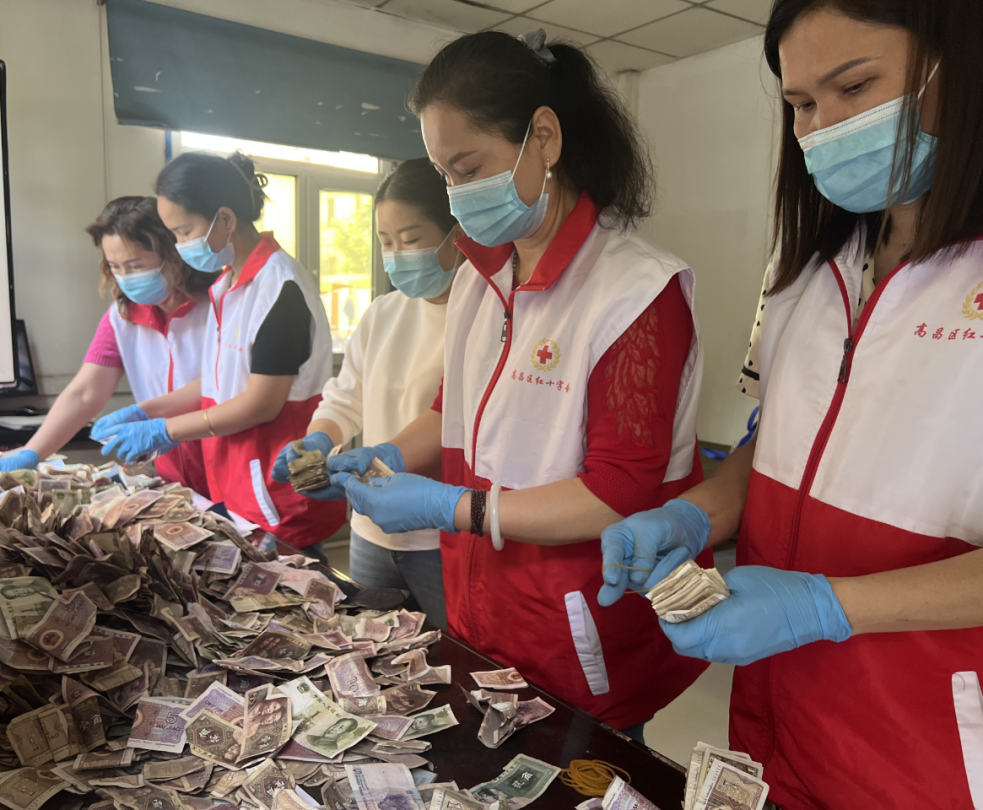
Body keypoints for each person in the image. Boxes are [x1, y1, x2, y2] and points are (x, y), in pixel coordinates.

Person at [597, 1, 983, 806]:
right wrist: (695, 515)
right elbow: (776, 444)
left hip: (927, 754)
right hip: (775, 721)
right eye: (801, 104)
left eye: (855, 87)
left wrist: (827, 606)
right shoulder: (809, 270)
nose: (824, 128)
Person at [329, 30, 710, 740]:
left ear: (544, 137)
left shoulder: (635, 290)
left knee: (579, 765)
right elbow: (450, 408)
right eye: (443, 174)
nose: (456, 193)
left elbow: (617, 489)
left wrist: (451, 506)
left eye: (468, 168)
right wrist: (386, 454)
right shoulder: (482, 277)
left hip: (578, 618)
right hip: (483, 604)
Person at [95, 152, 345, 560]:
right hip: (239, 489)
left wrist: (166, 431)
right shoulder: (227, 285)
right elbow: (218, 383)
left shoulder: (279, 287)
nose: (180, 246)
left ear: (225, 218)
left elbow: (261, 403)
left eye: (184, 231)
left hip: (280, 492)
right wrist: (146, 412)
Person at [273, 158, 458, 629]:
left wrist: (384, 456)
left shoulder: (483, 316)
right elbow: (346, 395)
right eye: (386, 242)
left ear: (456, 233)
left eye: (411, 240)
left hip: (442, 535)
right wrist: (318, 440)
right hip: (371, 530)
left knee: (452, 657)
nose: (397, 254)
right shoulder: (383, 312)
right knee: (373, 647)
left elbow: (455, 419)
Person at [0, 197, 214, 494]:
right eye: (115, 267)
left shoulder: (217, 306)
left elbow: (225, 384)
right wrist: (30, 453)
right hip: (176, 475)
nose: (126, 277)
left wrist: (146, 413)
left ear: (174, 256)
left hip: (225, 464)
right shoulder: (122, 317)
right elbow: (85, 394)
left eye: (136, 266)